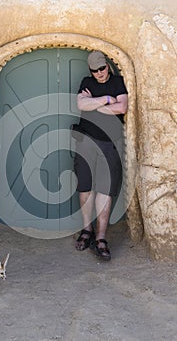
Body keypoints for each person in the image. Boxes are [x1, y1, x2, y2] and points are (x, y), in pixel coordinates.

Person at [74, 50, 128, 260]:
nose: (99, 73)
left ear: (107, 66)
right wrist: (106, 100)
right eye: (95, 70)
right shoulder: (86, 81)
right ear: (91, 70)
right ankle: (87, 231)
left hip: (108, 143)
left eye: (102, 68)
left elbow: (122, 107)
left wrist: (94, 104)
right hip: (85, 141)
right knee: (85, 188)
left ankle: (101, 238)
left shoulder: (118, 82)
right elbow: (80, 104)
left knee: (105, 191)